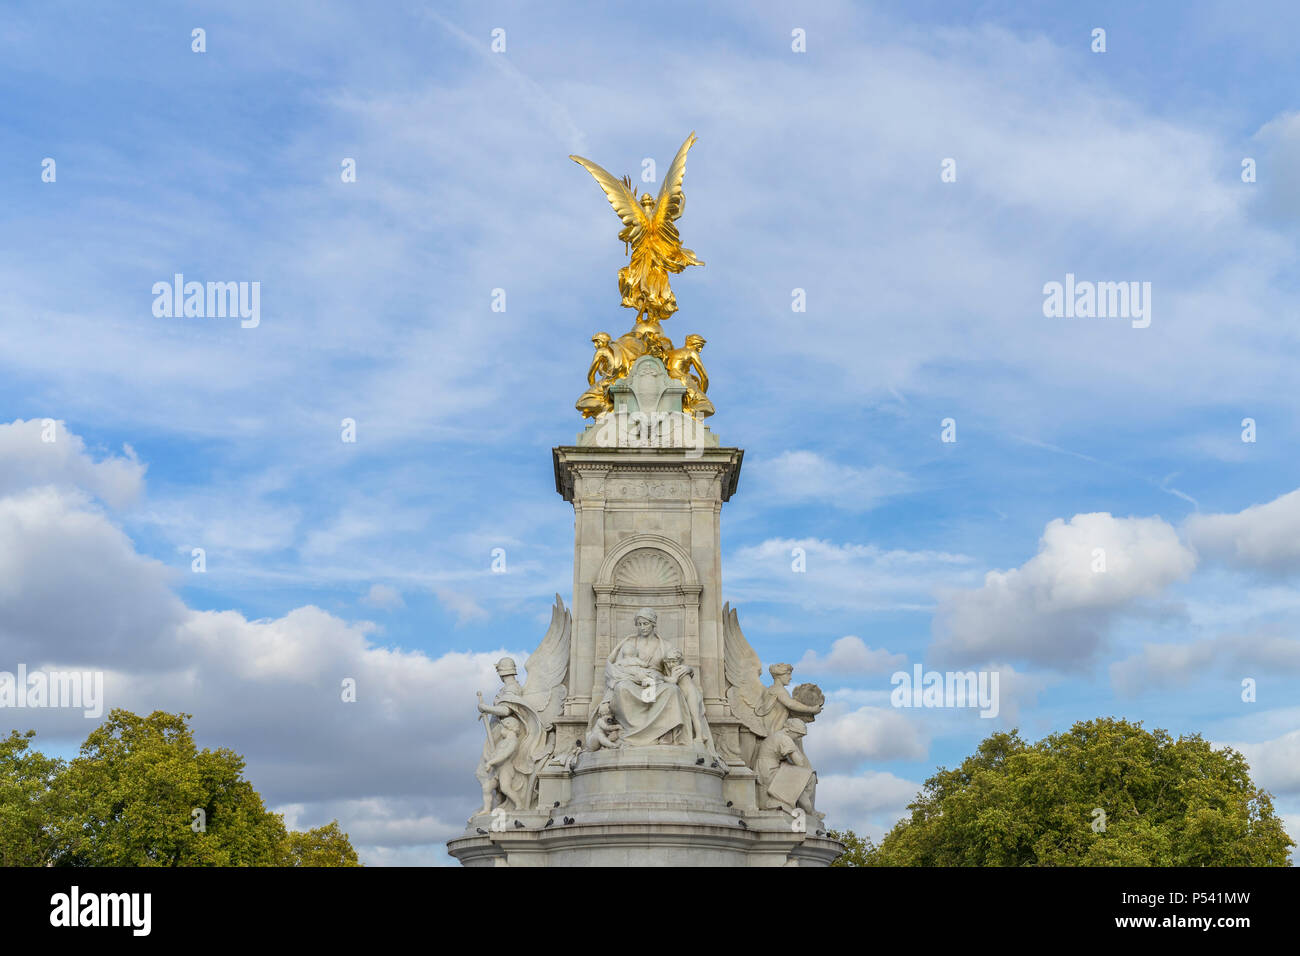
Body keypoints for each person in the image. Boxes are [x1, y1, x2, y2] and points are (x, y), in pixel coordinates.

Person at [599, 608, 691, 746]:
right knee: (621, 687)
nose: (642, 627)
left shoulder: (665, 645)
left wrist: (688, 669)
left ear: (653, 624)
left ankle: (663, 732)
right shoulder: (629, 643)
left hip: (655, 682)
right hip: (632, 681)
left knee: (672, 690)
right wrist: (605, 701)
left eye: (646, 623)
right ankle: (632, 732)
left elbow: (676, 663)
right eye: (639, 624)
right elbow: (615, 672)